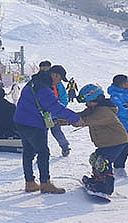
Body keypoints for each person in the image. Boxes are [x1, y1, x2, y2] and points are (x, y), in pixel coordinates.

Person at [13, 65, 82, 193]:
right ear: (54, 75)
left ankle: (30, 182)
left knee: (28, 151)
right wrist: (75, 118)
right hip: (33, 123)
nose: (59, 82)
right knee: (43, 152)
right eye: (60, 79)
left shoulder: (34, 82)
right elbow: (56, 107)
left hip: (20, 121)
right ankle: (45, 183)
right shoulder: (43, 88)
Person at [74, 84, 128, 195]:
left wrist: (73, 121)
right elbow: (79, 115)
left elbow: (85, 120)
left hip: (117, 141)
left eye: (88, 102)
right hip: (106, 142)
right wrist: (61, 117)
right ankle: (98, 180)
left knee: (103, 163)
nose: (87, 104)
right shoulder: (94, 108)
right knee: (95, 159)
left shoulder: (104, 111)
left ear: (97, 99)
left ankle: (106, 188)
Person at [38, 60, 70, 156]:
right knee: (42, 134)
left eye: (46, 69)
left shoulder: (58, 83)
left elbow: (64, 98)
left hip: (54, 114)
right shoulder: (39, 82)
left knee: (56, 132)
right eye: (42, 68)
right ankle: (43, 152)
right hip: (42, 115)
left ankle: (65, 147)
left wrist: (58, 109)